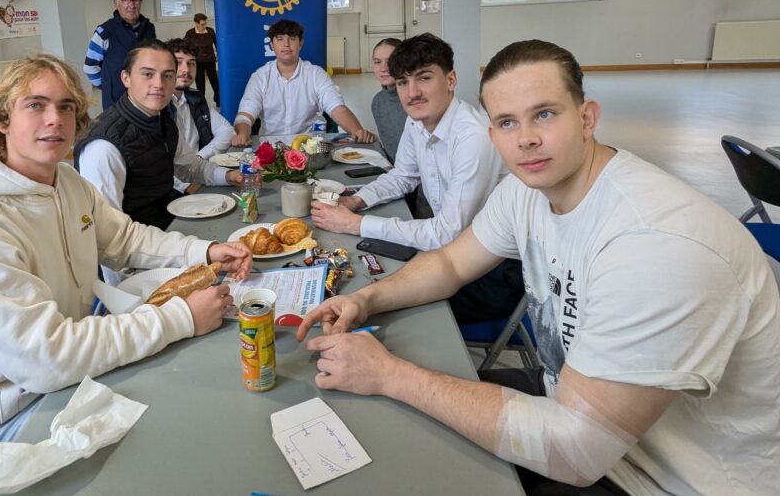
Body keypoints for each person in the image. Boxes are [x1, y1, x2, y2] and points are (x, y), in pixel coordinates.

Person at [298, 39, 780, 496]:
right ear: (493, 135)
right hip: (582, 417)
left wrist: (391, 375)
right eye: (507, 123)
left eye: (544, 114)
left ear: (587, 117)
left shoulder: (655, 243)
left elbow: (577, 452)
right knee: (397, 435)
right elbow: (448, 262)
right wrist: (364, 299)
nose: (526, 139)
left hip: (662, 480)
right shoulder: (524, 194)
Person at [0, 54, 251, 496]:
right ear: (2, 120)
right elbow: (50, 359)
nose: (55, 119)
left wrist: (203, 250)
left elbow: (124, 238)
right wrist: (181, 317)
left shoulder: (64, 182)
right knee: (171, 453)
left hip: (47, 386)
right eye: (36, 105)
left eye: (66, 106)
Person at [311, 33, 521, 323]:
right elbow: (403, 175)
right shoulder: (417, 120)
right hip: (451, 255)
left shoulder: (473, 136)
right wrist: (356, 201)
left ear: (450, 80)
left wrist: (358, 225)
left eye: (424, 78)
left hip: (493, 271)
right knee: (355, 279)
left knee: (370, 300)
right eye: (402, 82)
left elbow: (447, 233)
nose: (412, 93)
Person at [76, 40, 245, 230]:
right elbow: (109, 236)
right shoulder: (104, 147)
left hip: (169, 223)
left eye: (167, 75)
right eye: (148, 74)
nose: (159, 84)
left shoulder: (162, 118)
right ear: (126, 78)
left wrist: (230, 176)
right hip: (141, 247)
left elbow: (189, 167)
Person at [231, 19, 375, 146]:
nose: (286, 44)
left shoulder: (315, 74)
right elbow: (246, 114)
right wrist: (242, 135)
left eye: (292, 39)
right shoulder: (260, 76)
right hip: (270, 147)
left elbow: (337, 108)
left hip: (309, 146)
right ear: (272, 45)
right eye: (279, 39)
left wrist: (358, 131)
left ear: (301, 43)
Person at [165, 38, 234, 196]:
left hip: (200, 175)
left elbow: (227, 130)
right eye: (178, 62)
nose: (186, 70)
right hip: (173, 190)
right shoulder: (157, 108)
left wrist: (199, 157)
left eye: (191, 63)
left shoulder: (194, 98)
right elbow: (153, 165)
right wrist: (184, 186)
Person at [84, 0, 156, 110]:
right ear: (116, 3)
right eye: (125, 0)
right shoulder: (104, 31)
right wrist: (108, 86)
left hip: (145, 95)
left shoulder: (149, 28)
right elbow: (90, 67)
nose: (132, 5)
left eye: (136, 0)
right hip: (116, 101)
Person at [369, 37, 406, 163]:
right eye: (377, 62)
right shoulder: (378, 102)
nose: (383, 68)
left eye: (391, 61)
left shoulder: (416, 102)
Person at [184, 13, 219, 106]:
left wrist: (219, 55)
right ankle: (201, 102)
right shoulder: (190, 33)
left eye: (205, 24)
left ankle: (218, 100)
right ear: (196, 23)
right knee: (200, 83)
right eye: (202, 24)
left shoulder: (210, 31)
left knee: (214, 80)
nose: (204, 26)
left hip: (210, 60)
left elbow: (217, 44)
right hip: (197, 61)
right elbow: (185, 47)